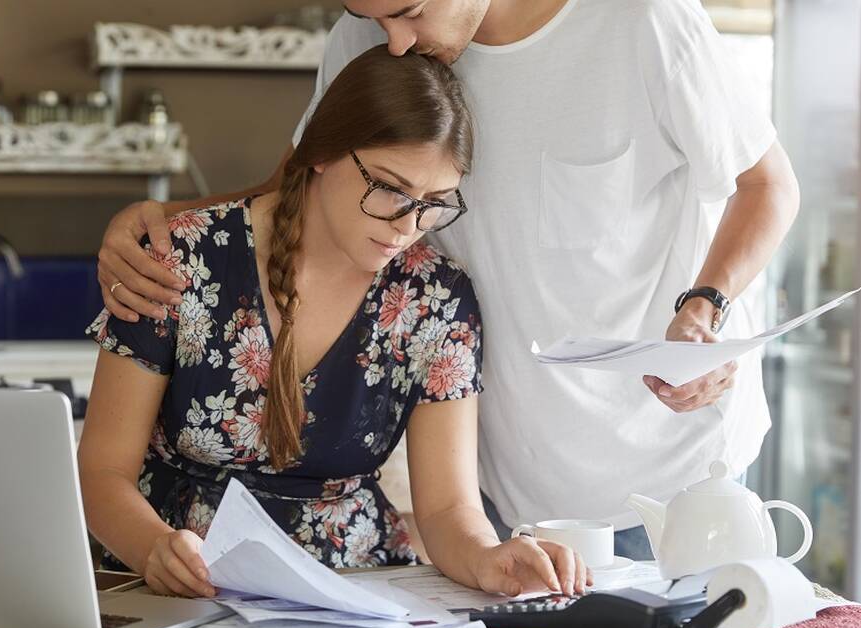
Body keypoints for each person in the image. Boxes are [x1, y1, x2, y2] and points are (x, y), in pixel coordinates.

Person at [95, 0, 800, 560]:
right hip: (499, 486)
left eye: (406, 11)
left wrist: (705, 310)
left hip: (667, 471)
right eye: (375, 19)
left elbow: (767, 185)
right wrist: (150, 221)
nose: (394, 42)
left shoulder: (640, 20)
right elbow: (298, 185)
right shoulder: (369, 34)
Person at [78, 46, 590, 600]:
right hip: (176, 584)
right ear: (322, 152)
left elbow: (447, 508)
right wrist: (154, 548)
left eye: (435, 203)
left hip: (357, 591)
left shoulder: (438, 299)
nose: (408, 225)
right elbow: (101, 473)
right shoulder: (182, 259)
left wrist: (488, 557)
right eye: (390, 189)